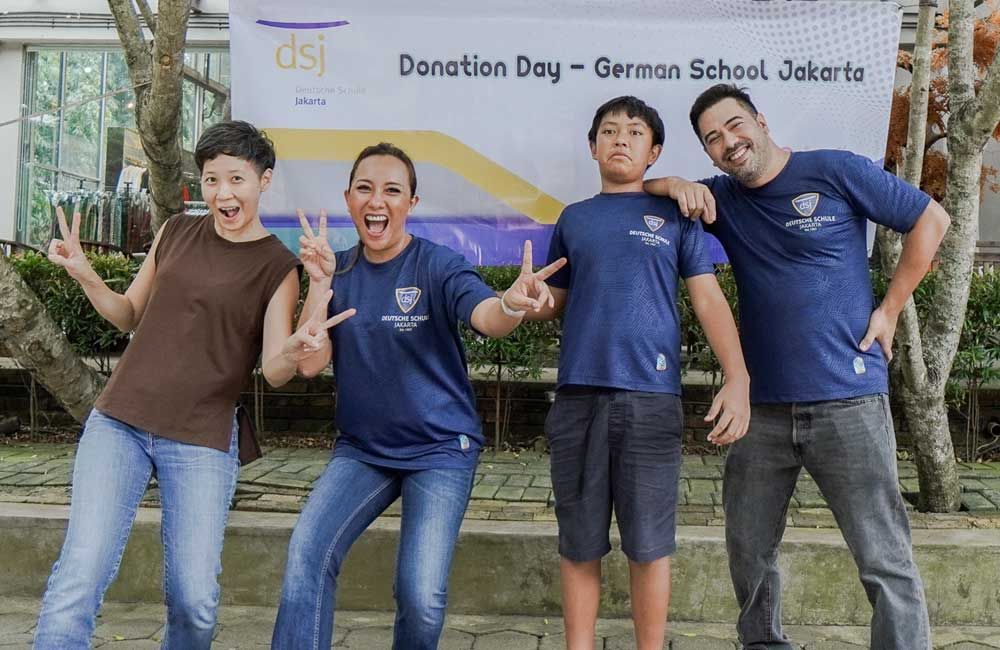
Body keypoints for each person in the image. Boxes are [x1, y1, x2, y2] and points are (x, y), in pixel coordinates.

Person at [645, 83, 950, 650]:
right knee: (750, 555)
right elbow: (640, 189)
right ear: (709, 154)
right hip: (759, 411)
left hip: (849, 401)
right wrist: (674, 183)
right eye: (712, 139)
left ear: (760, 120)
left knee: (886, 561)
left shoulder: (833, 170)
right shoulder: (723, 201)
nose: (728, 143)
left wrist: (889, 310)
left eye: (735, 126)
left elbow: (931, 219)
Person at [32, 120, 351, 650]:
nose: (222, 193)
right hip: (120, 423)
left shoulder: (278, 266)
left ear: (263, 180)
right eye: (210, 180)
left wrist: (298, 341)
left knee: (195, 602)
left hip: (202, 438)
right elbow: (129, 313)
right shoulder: (176, 231)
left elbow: (274, 369)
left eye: (236, 179)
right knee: (79, 576)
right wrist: (86, 273)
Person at [270, 142, 565, 650]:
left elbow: (486, 318)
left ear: (412, 202)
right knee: (306, 554)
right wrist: (318, 288)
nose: (376, 200)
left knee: (421, 595)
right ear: (348, 198)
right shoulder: (333, 270)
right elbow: (311, 363)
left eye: (391, 190)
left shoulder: (438, 265)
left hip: (440, 451)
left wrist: (512, 305)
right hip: (363, 450)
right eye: (364, 188)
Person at [526, 96, 751, 650]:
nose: (620, 139)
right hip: (577, 398)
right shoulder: (573, 218)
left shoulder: (677, 213)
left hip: (651, 400)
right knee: (578, 542)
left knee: (649, 544)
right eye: (608, 130)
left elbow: (707, 299)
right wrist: (532, 301)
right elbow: (554, 300)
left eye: (633, 132)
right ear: (592, 146)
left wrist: (737, 376)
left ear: (654, 151)